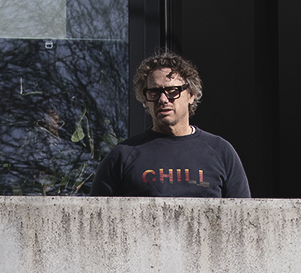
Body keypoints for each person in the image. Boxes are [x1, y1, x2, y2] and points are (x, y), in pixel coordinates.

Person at [91, 51, 251, 198]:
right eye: (154, 92)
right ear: (145, 99)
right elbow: (98, 215)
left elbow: (243, 214)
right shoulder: (123, 156)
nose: (163, 99)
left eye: (172, 91)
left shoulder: (221, 152)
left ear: (191, 95)